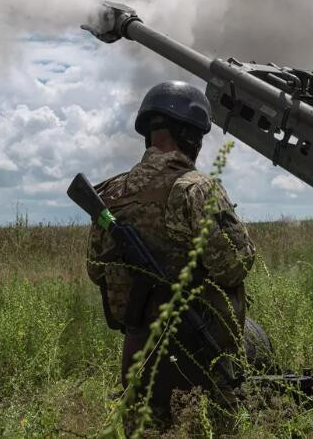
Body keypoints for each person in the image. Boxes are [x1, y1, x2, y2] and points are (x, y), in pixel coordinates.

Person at [85, 80, 256, 423]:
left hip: (137, 359)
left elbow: (96, 271)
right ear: (190, 136)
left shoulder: (110, 194)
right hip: (198, 358)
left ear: (149, 135)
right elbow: (234, 268)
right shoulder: (196, 189)